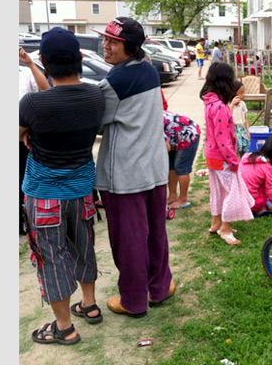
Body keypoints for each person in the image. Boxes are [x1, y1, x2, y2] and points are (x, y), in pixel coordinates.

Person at [19, 27, 105, 344]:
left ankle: (65, 327)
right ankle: (90, 304)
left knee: (52, 257)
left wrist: (29, 132)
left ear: (44, 59)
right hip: (81, 190)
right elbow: (55, 97)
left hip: (44, 195)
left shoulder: (32, 104)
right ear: (81, 58)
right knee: (83, 246)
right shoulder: (96, 95)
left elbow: (24, 126)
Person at [91, 17, 175, 318]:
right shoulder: (149, 69)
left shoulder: (114, 83)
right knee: (155, 234)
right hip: (153, 167)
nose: (105, 45)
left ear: (129, 46)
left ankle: (134, 300)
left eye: (112, 41)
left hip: (126, 173)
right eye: (105, 39)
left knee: (128, 240)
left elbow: (97, 121)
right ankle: (159, 287)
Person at [202, 62, 255, 245]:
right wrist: (234, 160)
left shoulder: (210, 102)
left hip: (212, 156)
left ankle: (216, 224)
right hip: (223, 157)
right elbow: (223, 139)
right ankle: (225, 228)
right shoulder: (220, 107)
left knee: (218, 191)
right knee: (231, 192)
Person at [19, 46, 50, 235]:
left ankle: (25, 222)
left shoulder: (25, 72)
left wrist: (30, 64)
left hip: (22, 138)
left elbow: (45, 91)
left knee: (22, 179)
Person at [239, 135, 272, 216]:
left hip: (237, 200)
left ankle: (261, 206)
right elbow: (270, 188)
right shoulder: (267, 168)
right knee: (262, 186)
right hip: (251, 203)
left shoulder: (248, 157)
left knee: (257, 185)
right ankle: (258, 209)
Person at [163, 110, 200, 210]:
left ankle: (183, 199)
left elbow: (166, 147)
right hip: (174, 137)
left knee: (181, 167)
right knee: (171, 165)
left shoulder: (152, 122)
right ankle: (173, 196)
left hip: (188, 135)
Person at [231, 80, 251, 156]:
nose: (244, 95)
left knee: (245, 151)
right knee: (235, 151)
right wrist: (232, 105)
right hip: (234, 130)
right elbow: (227, 117)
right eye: (241, 93)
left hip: (242, 129)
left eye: (244, 92)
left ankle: (243, 164)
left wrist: (248, 131)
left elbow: (245, 118)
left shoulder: (242, 104)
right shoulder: (229, 105)